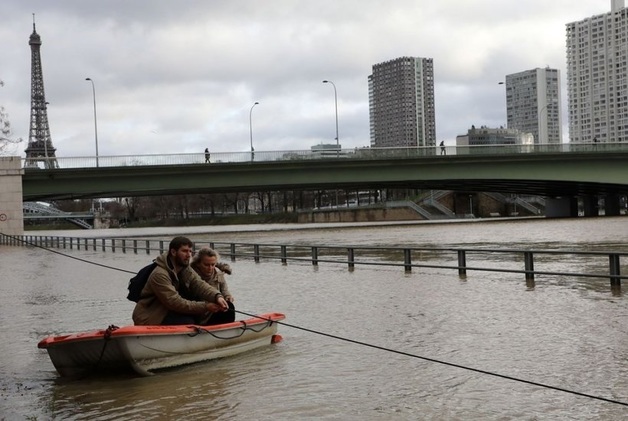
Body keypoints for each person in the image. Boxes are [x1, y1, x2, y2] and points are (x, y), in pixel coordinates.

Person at [132, 236, 230, 326]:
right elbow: (174, 302)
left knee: (226, 311)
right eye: (184, 251)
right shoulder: (160, 274)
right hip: (151, 316)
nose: (188, 255)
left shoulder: (184, 268)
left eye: (190, 251)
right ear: (173, 252)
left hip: (168, 311)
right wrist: (205, 306)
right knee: (188, 322)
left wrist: (217, 296)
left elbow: (199, 284)